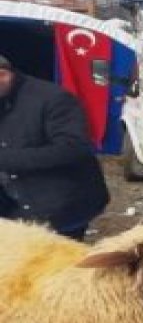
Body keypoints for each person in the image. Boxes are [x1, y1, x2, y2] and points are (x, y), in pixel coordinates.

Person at [0, 53, 109, 239]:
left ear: (3, 74)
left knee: (58, 263)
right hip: (14, 203)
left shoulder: (52, 99)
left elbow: (73, 149)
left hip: (63, 205)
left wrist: (7, 158)